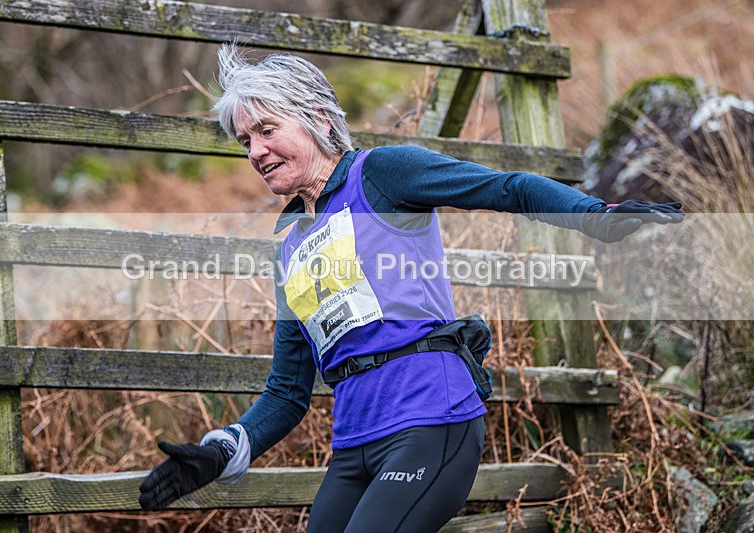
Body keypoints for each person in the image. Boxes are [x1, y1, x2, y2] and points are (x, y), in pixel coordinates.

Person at [138, 44, 683, 531]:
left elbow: (507, 187)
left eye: (267, 130)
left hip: (430, 417)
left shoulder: (383, 175)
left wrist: (594, 214)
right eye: (245, 140)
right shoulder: (290, 244)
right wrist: (222, 451)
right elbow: (287, 391)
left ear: (319, 120)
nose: (255, 151)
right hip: (353, 445)